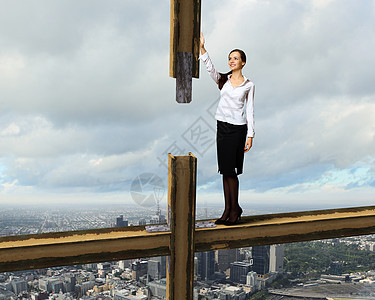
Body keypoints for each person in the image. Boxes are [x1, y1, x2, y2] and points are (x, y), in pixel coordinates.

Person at [200, 32, 255, 226]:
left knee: (232, 171)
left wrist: (251, 135)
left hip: (238, 130)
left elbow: (250, 110)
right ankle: (228, 209)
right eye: (230, 58)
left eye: (235, 58)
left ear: (243, 62)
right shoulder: (223, 80)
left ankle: (235, 210)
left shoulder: (249, 85)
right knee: (225, 171)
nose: (232, 61)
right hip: (222, 127)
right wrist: (202, 48)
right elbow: (210, 70)